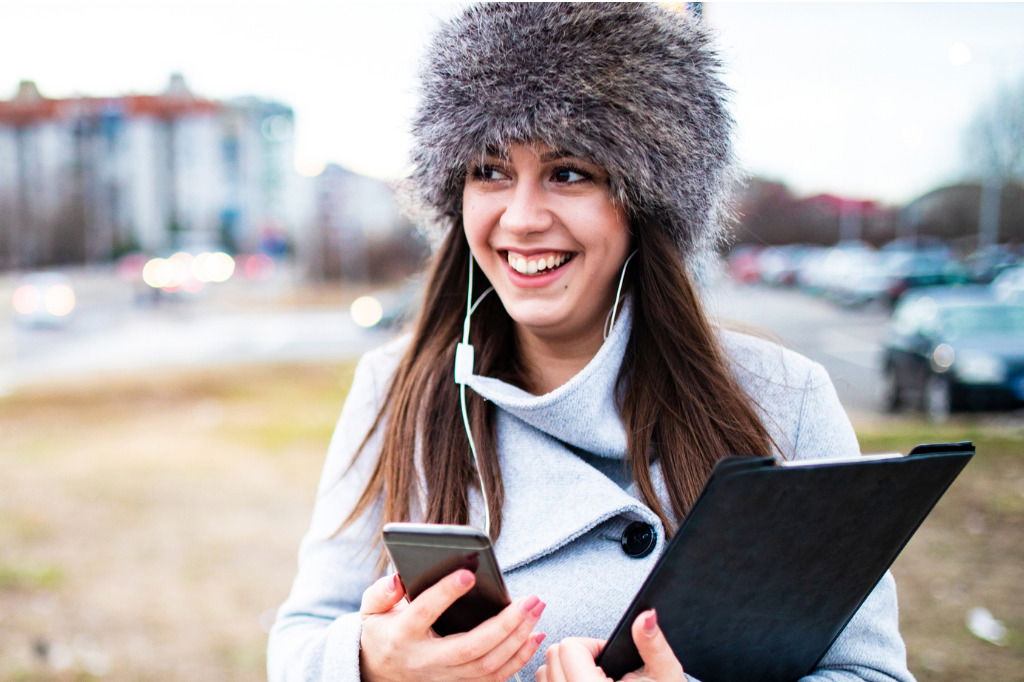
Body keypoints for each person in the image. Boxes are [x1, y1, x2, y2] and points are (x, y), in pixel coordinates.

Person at [268, 4, 915, 681]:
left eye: (568, 171)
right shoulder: (395, 387)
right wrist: (370, 661)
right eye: (489, 170)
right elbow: (299, 641)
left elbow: (868, 672)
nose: (520, 219)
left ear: (645, 200)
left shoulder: (782, 397)